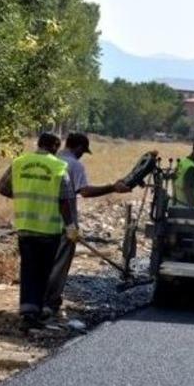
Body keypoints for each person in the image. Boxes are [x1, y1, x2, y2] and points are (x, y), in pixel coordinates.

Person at [41, 133, 132, 319]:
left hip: (41, 221)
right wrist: (112, 187)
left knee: (43, 264)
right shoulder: (74, 165)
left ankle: (37, 301)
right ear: (79, 147)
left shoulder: (52, 160)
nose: (83, 154)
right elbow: (85, 192)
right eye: (83, 150)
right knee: (59, 265)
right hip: (64, 223)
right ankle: (50, 303)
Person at [0, 133, 74, 329]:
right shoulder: (58, 167)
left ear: (38, 144)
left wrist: (25, 196)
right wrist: (70, 226)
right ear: (55, 146)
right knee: (43, 272)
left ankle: (27, 311)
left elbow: (2, 188)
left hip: (25, 227)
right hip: (49, 230)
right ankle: (36, 312)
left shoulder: (19, 162)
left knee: (29, 268)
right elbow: (64, 200)